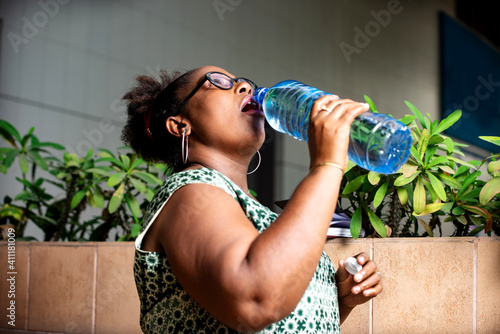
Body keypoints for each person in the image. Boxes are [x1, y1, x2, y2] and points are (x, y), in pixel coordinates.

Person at [122, 65, 383, 333]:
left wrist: (339, 299)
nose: (246, 87)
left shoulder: (259, 214)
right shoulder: (189, 193)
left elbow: (280, 324)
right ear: (180, 125)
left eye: (243, 81)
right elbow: (255, 301)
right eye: (218, 82)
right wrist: (326, 165)